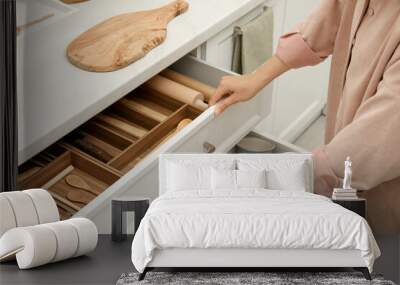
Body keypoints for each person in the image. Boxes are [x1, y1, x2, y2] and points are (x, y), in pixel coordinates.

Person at [209, 0, 400, 234]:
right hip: (343, 156)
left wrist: (288, 182)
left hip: (384, 193)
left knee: (375, 244)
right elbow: (330, 19)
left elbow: (378, 137)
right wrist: (255, 78)